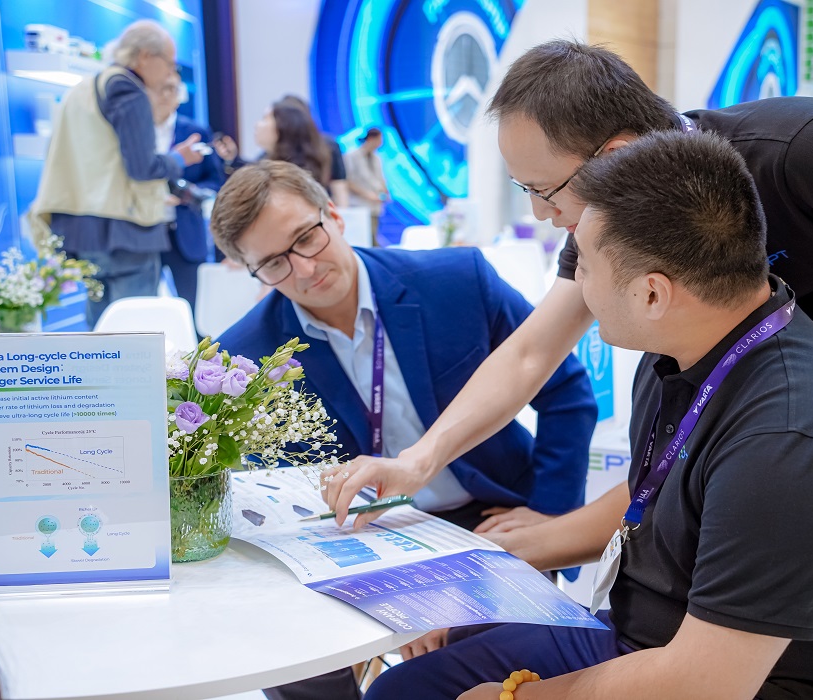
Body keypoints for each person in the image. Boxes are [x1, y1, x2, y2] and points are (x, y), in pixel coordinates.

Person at [361, 128, 813, 700]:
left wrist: (513, 698)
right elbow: (664, 496)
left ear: (653, 294)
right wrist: (491, 565)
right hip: (651, 637)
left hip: (752, 681)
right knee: (412, 681)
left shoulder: (789, 441)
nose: (576, 285)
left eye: (585, 267)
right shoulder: (689, 349)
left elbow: (701, 684)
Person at [326, 39, 813, 536]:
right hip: (775, 391)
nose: (543, 215)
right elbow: (531, 352)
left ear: (614, 155)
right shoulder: (610, 217)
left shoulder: (806, 151)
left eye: (544, 190)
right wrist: (419, 460)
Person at [209, 160, 597, 700]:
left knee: (474, 651)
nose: (304, 268)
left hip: (480, 518)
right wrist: (382, 594)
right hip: (352, 539)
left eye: (306, 238)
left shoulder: (457, 281)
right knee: (293, 655)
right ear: (251, 272)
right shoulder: (246, 357)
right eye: (274, 262)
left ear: (334, 215)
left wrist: (550, 511)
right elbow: (274, 496)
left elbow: (567, 393)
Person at [29, 20, 204, 328]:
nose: (170, 73)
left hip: (83, 231)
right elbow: (143, 168)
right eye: (169, 63)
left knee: (101, 332)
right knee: (134, 332)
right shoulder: (128, 89)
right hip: (126, 233)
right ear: (145, 56)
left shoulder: (82, 90)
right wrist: (179, 158)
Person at [147, 73, 225, 310]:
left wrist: (188, 193)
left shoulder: (195, 132)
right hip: (146, 232)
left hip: (185, 232)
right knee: (146, 307)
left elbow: (215, 180)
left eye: (171, 89)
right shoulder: (136, 133)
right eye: (159, 89)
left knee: (195, 308)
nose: (165, 96)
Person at [214, 95, 350, 206]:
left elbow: (340, 193)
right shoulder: (265, 160)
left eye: (264, 119)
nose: (257, 125)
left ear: (283, 126)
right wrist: (232, 160)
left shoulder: (326, 150)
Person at [344, 127, 391, 244]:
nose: (380, 143)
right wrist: (367, 195)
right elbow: (348, 181)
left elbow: (380, 178)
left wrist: (385, 192)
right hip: (359, 205)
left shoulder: (377, 158)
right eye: (379, 140)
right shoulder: (351, 156)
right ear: (371, 139)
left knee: (374, 234)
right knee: (365, 239)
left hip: (375, 206)